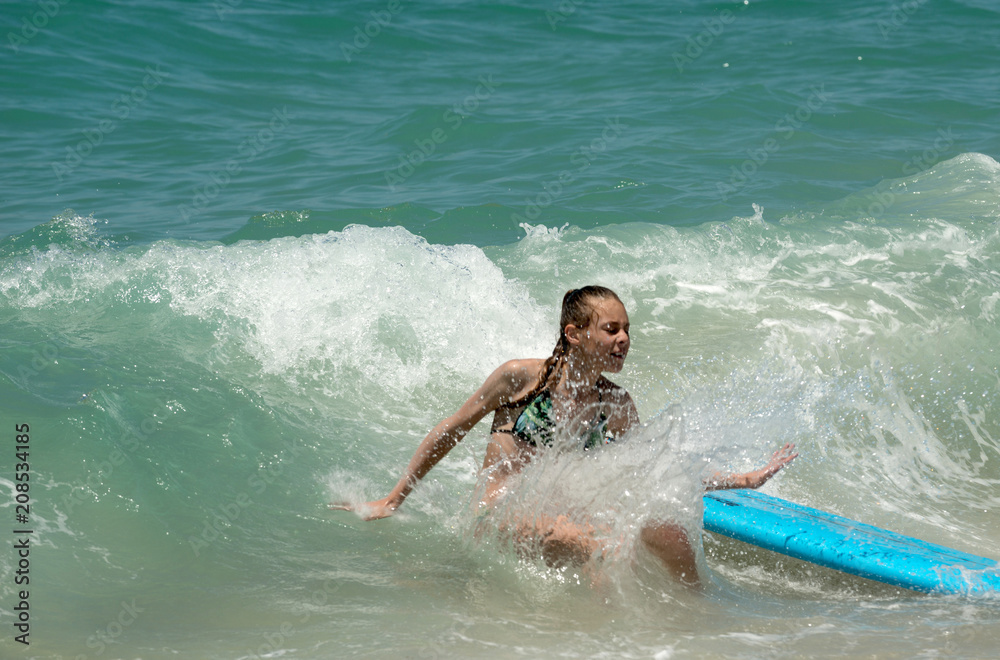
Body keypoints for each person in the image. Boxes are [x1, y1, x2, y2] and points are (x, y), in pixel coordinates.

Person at [332, 285, 797, 584]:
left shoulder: (616, 406)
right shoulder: (521, 379)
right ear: (575, 333)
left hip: (560, 511)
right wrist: (393, 500)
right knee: (601, 543)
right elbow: (451, 430)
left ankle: (696, 630)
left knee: (670, 534)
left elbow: (657, 470)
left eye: (627, 331)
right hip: (496, 514)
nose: (624, 340)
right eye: (611, 329)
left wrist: (745, 479)